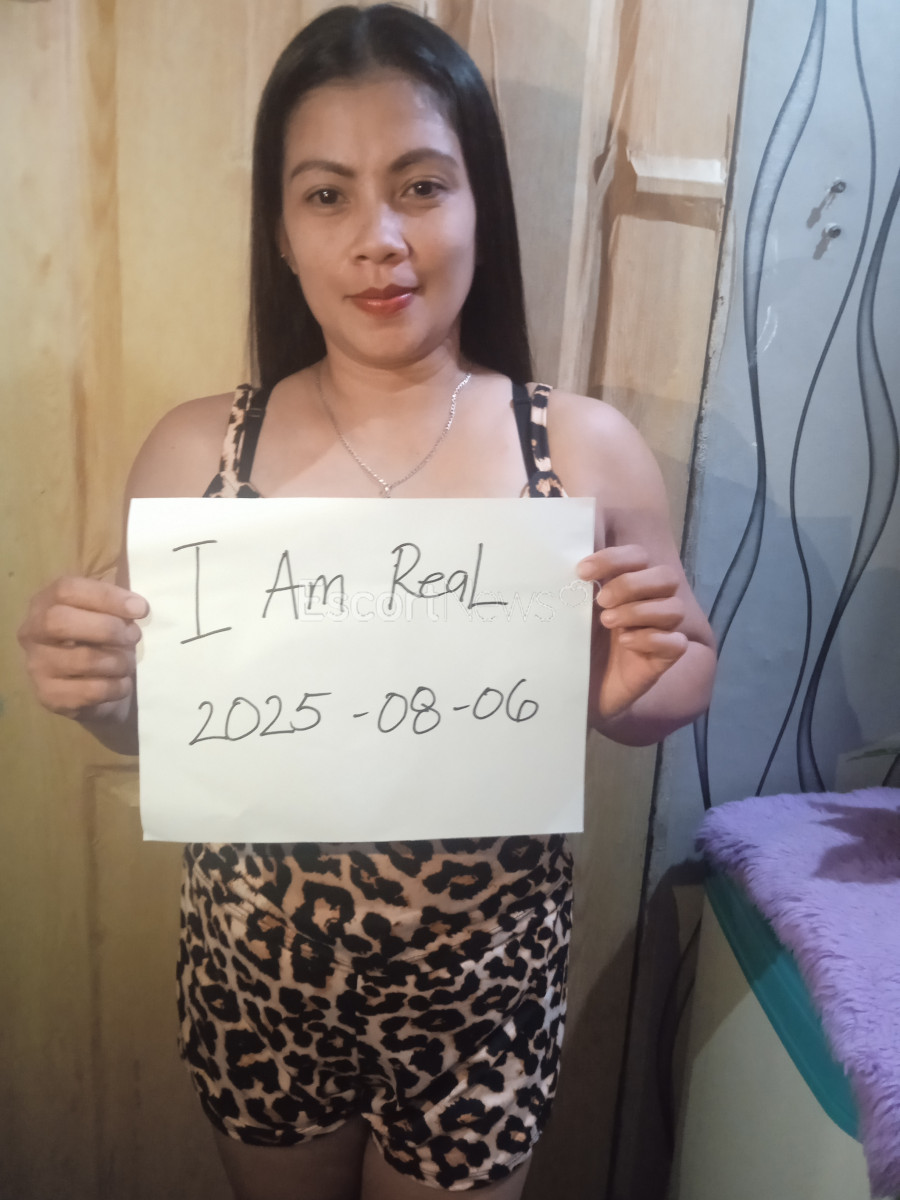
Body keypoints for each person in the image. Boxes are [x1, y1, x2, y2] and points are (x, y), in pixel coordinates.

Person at [17, 6, 716, 1199]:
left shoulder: (580, 448)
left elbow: (663, 684)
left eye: (421, 187)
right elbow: (159, 723)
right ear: (282, 233)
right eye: (327, 195)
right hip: (257, 977)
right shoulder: (197, 450)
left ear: (481, 208)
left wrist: (641, 682)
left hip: (485, 989)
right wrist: (100, 694)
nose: (378, 239)